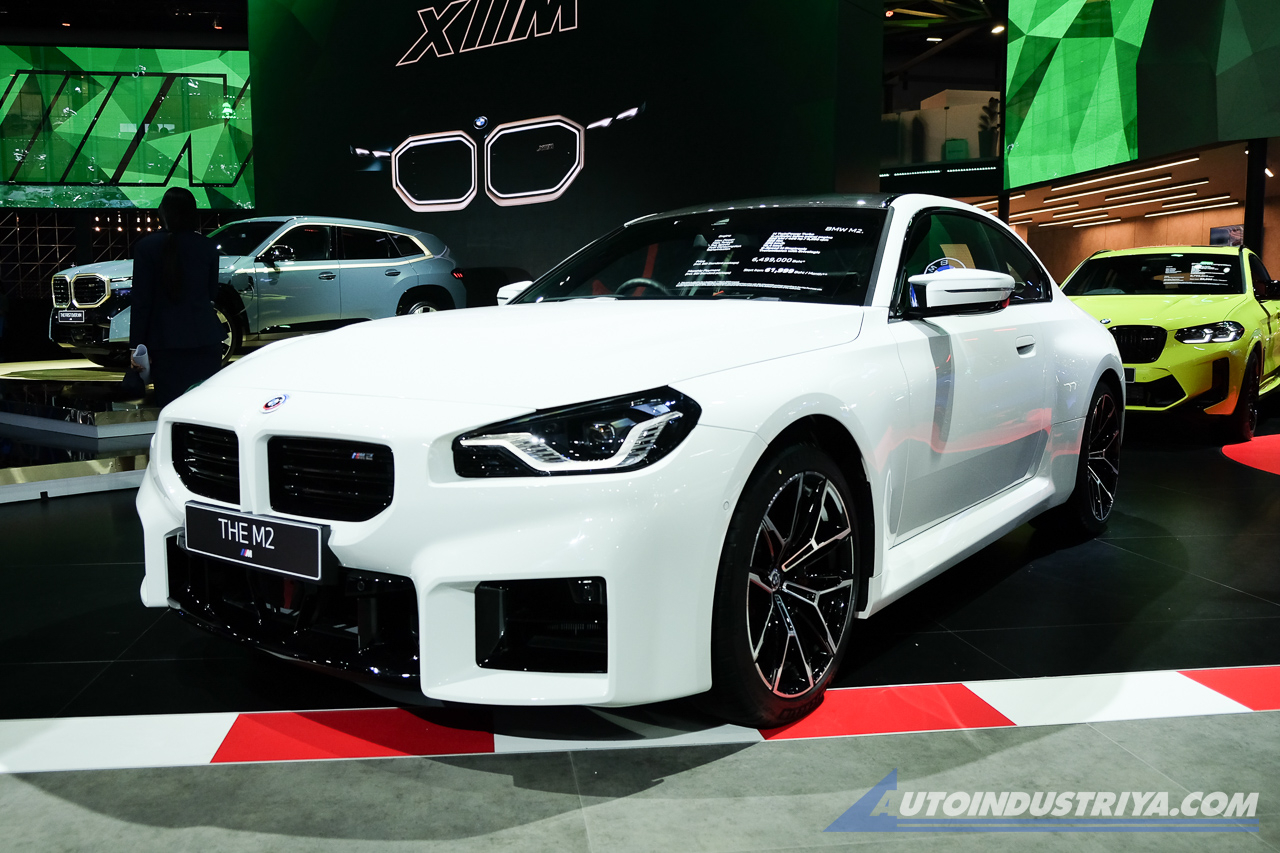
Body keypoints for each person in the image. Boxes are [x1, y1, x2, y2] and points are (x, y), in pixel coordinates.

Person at [129, 187, 223, 407]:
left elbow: (141, 302)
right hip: (205, 338)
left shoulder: (145, 247)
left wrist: (136, 346)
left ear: (163, 212)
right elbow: (211, 293)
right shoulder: (207, 246)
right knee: (204, 407)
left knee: (172, 407)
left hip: (165, 343)